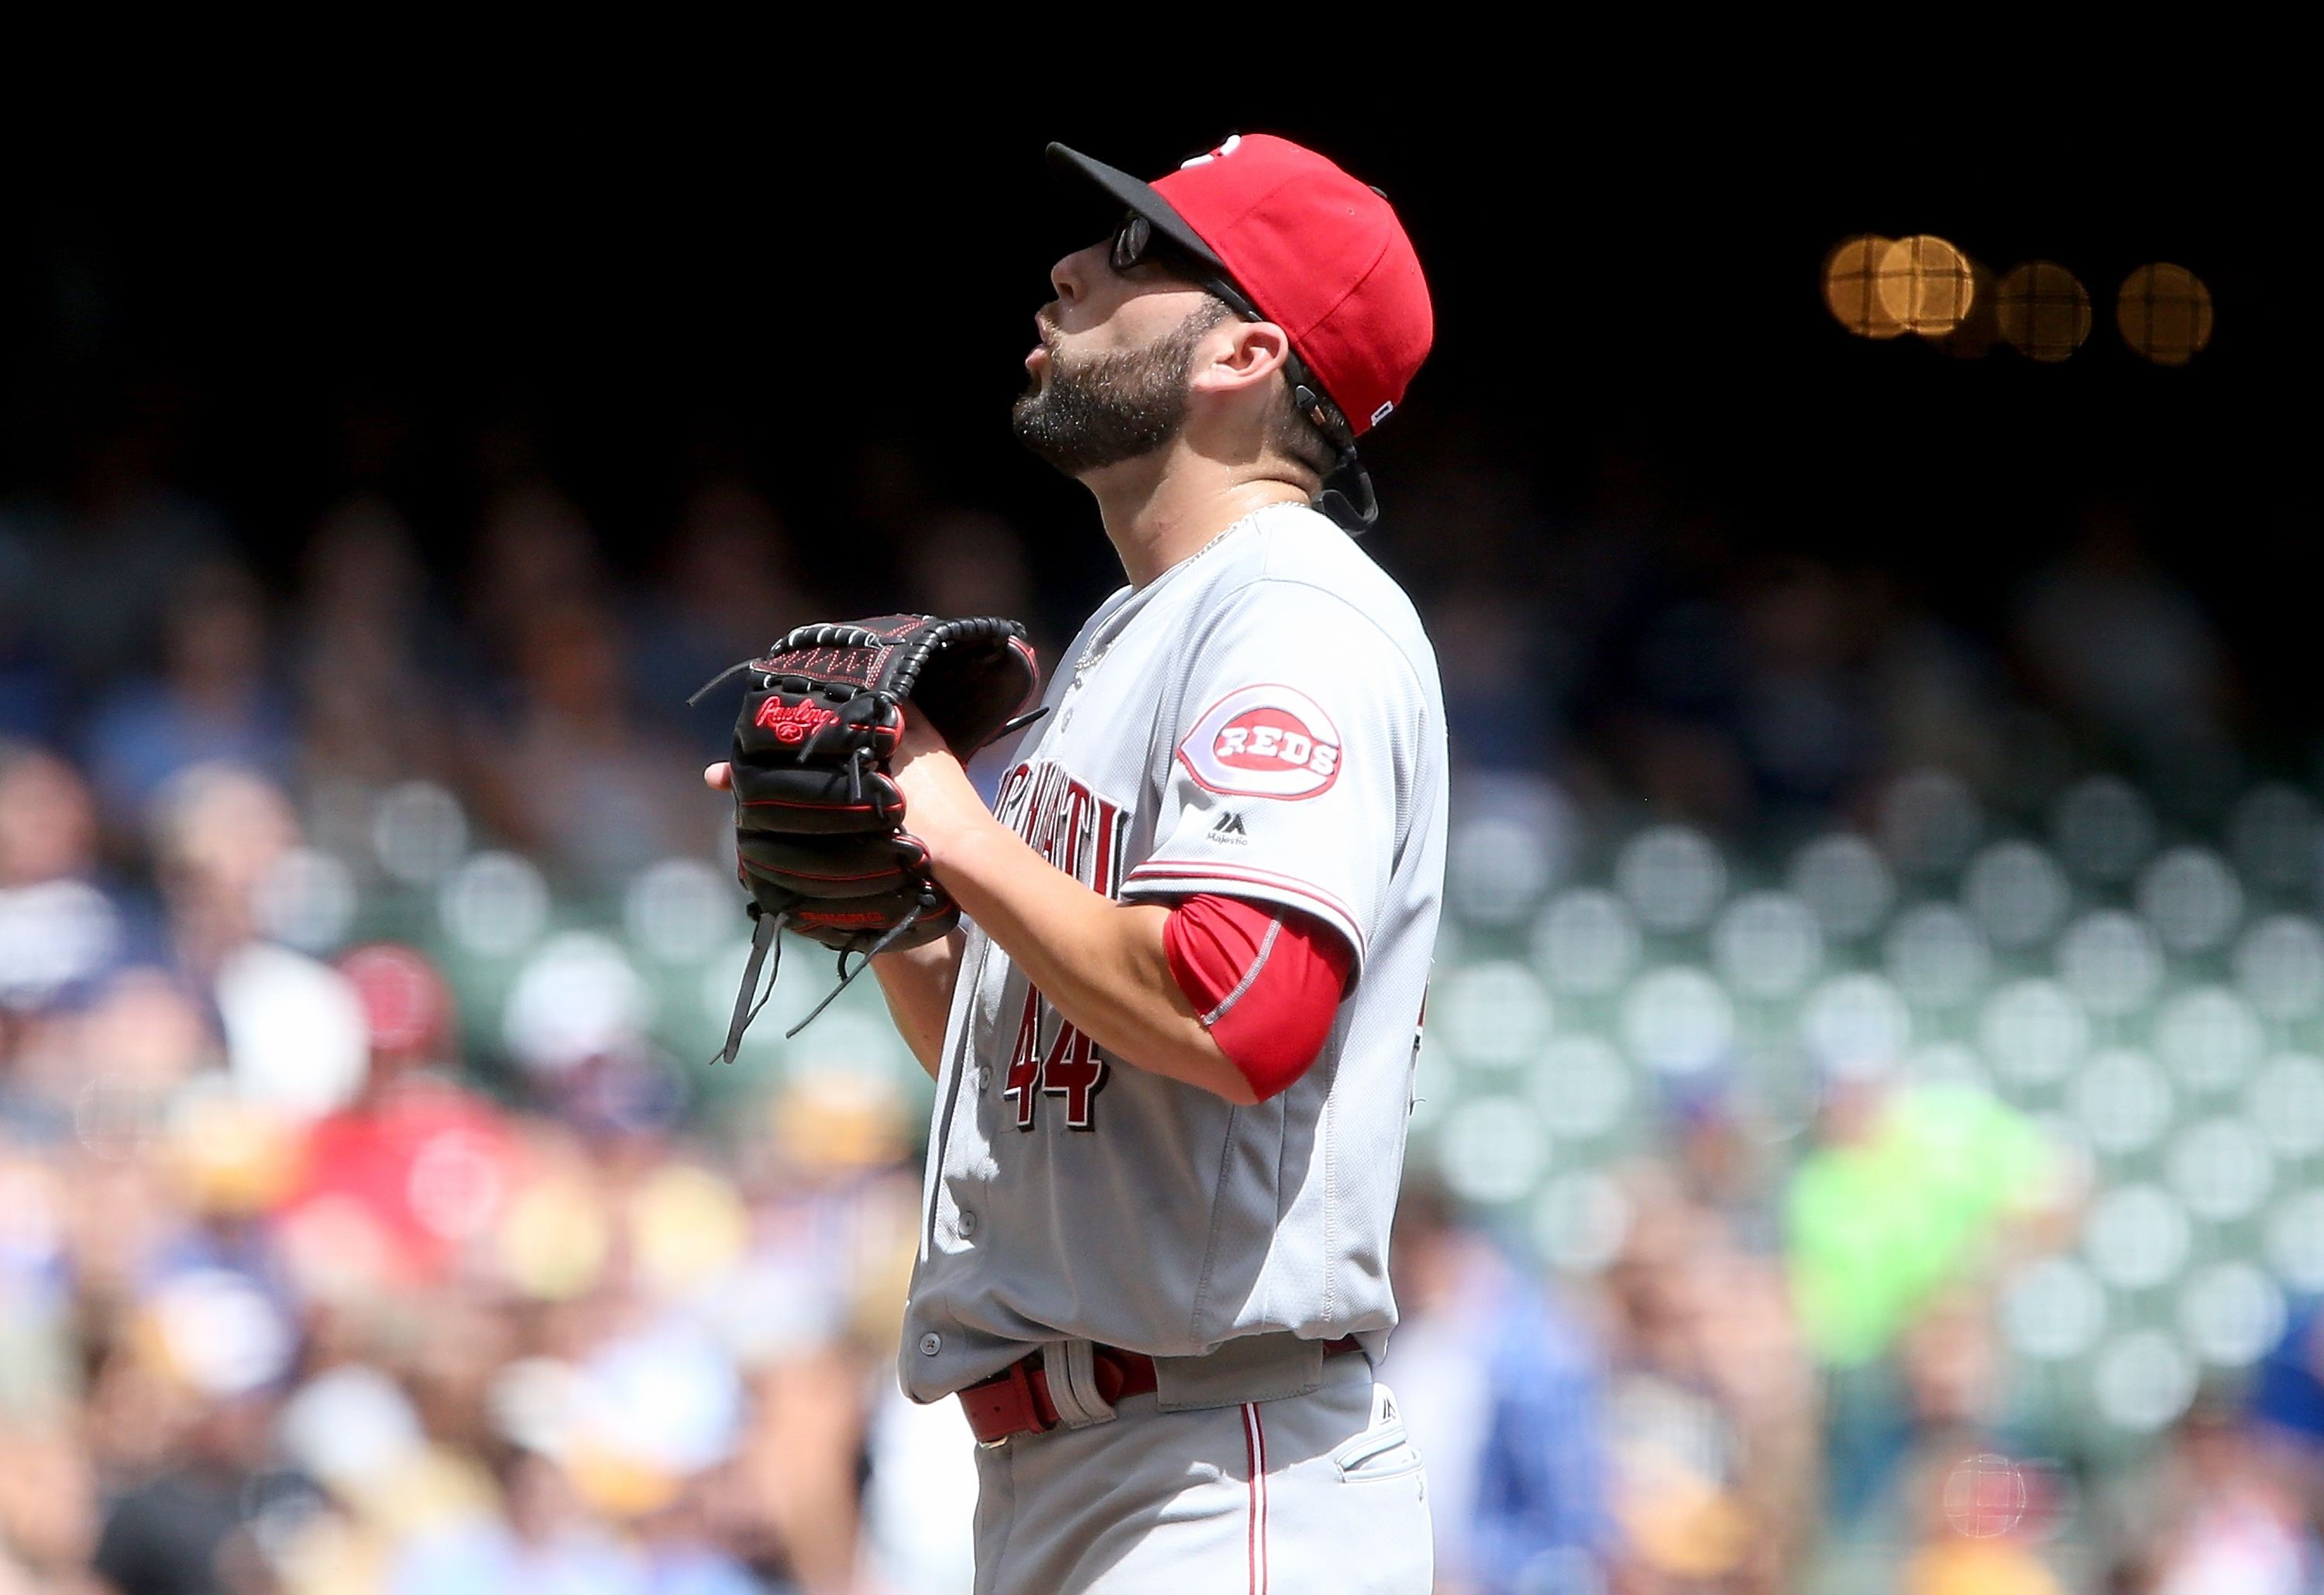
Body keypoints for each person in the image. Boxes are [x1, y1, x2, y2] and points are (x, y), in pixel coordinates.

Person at [709, 132, 1441, 1591]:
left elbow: (1242, 1010)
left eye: (1135, 255)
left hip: (1221, 1466)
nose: (1070, 270)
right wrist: (894, 902)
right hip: (1080, 1474)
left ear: (1243, 351)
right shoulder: (1128, 631)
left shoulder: (1296, 615)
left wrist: (959, 830)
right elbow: (1041, 1059)